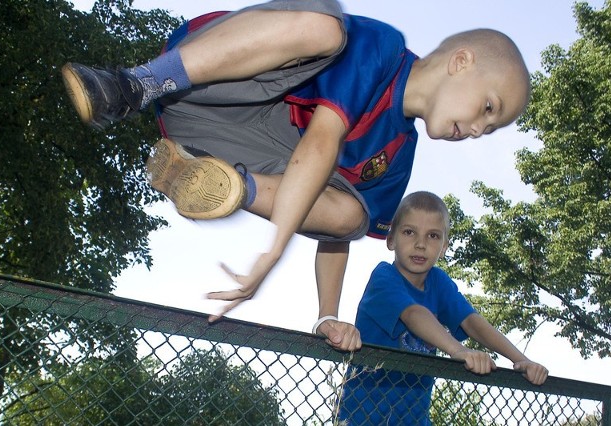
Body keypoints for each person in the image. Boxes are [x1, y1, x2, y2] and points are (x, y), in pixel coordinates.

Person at [61, 0, 531, 352]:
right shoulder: (384, 51)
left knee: (353, 214)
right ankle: (130, 84)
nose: (477, 130)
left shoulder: (398, 159)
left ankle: (207, 177)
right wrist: (273, 251)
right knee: (326, 26)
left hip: (213, 142)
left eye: (489, 129)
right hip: (206, 78)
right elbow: (323, 139)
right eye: (487, 108)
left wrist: (327, 316)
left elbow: (337, 238)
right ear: (462, 61)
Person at [337, 191, 548, 425]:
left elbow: (472, 321)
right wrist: (459, 351)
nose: (420, 244)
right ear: (391, 239)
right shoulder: (384, 276)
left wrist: (521, 360)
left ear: (444, 246)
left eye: (433, 236)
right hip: (363, 418)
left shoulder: (439, 282)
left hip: (414, 420)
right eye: (409, 232)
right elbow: (413, 313)